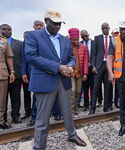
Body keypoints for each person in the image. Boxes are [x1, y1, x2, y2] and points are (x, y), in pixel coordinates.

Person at [24, 10, 86, 149]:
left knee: (68, 112)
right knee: (43, 118)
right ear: (46, 21)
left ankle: (72, 135)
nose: (57, 26)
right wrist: (58, 67)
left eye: (59, 24)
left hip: (63, 82)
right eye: (54, 23)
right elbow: (31, 57)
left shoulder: (64, 40)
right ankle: (39, 146)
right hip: (44, 81)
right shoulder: (33, 36)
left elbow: (71, 58)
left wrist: (69, 67)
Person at [0, 24, 24, 124]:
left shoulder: (19, 43)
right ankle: (2, 118)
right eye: (4, 29)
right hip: (1, 75)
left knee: (16, 97)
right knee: (1, 98)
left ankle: (16, 116)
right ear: (0, 30)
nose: (6, 31)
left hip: (16, 75)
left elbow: (23, 59)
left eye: (9, 29)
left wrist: (23, 72)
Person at [89, 22, 113, 114]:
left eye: (106, 28)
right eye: (103, 28)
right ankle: (92, 109)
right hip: (99, 66)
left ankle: (106, 108)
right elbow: (93, 54)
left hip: (108, 66)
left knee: (107, 88)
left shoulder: (112, 39)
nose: (104, 30)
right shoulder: (97, 38)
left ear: (109, 28)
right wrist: (93, 66)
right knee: (95, 88)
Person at [68, 28, 89, 115]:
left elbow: (85, 61)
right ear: (70, 39)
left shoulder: (84, 47)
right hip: (70, 73)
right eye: (74, 40)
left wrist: (85, 73)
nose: (76, 41)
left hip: (79, 73)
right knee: (72, 90)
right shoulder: (67, 47)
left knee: (78, 91)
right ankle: (71, 109)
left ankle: (75, 107)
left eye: (77, 39)